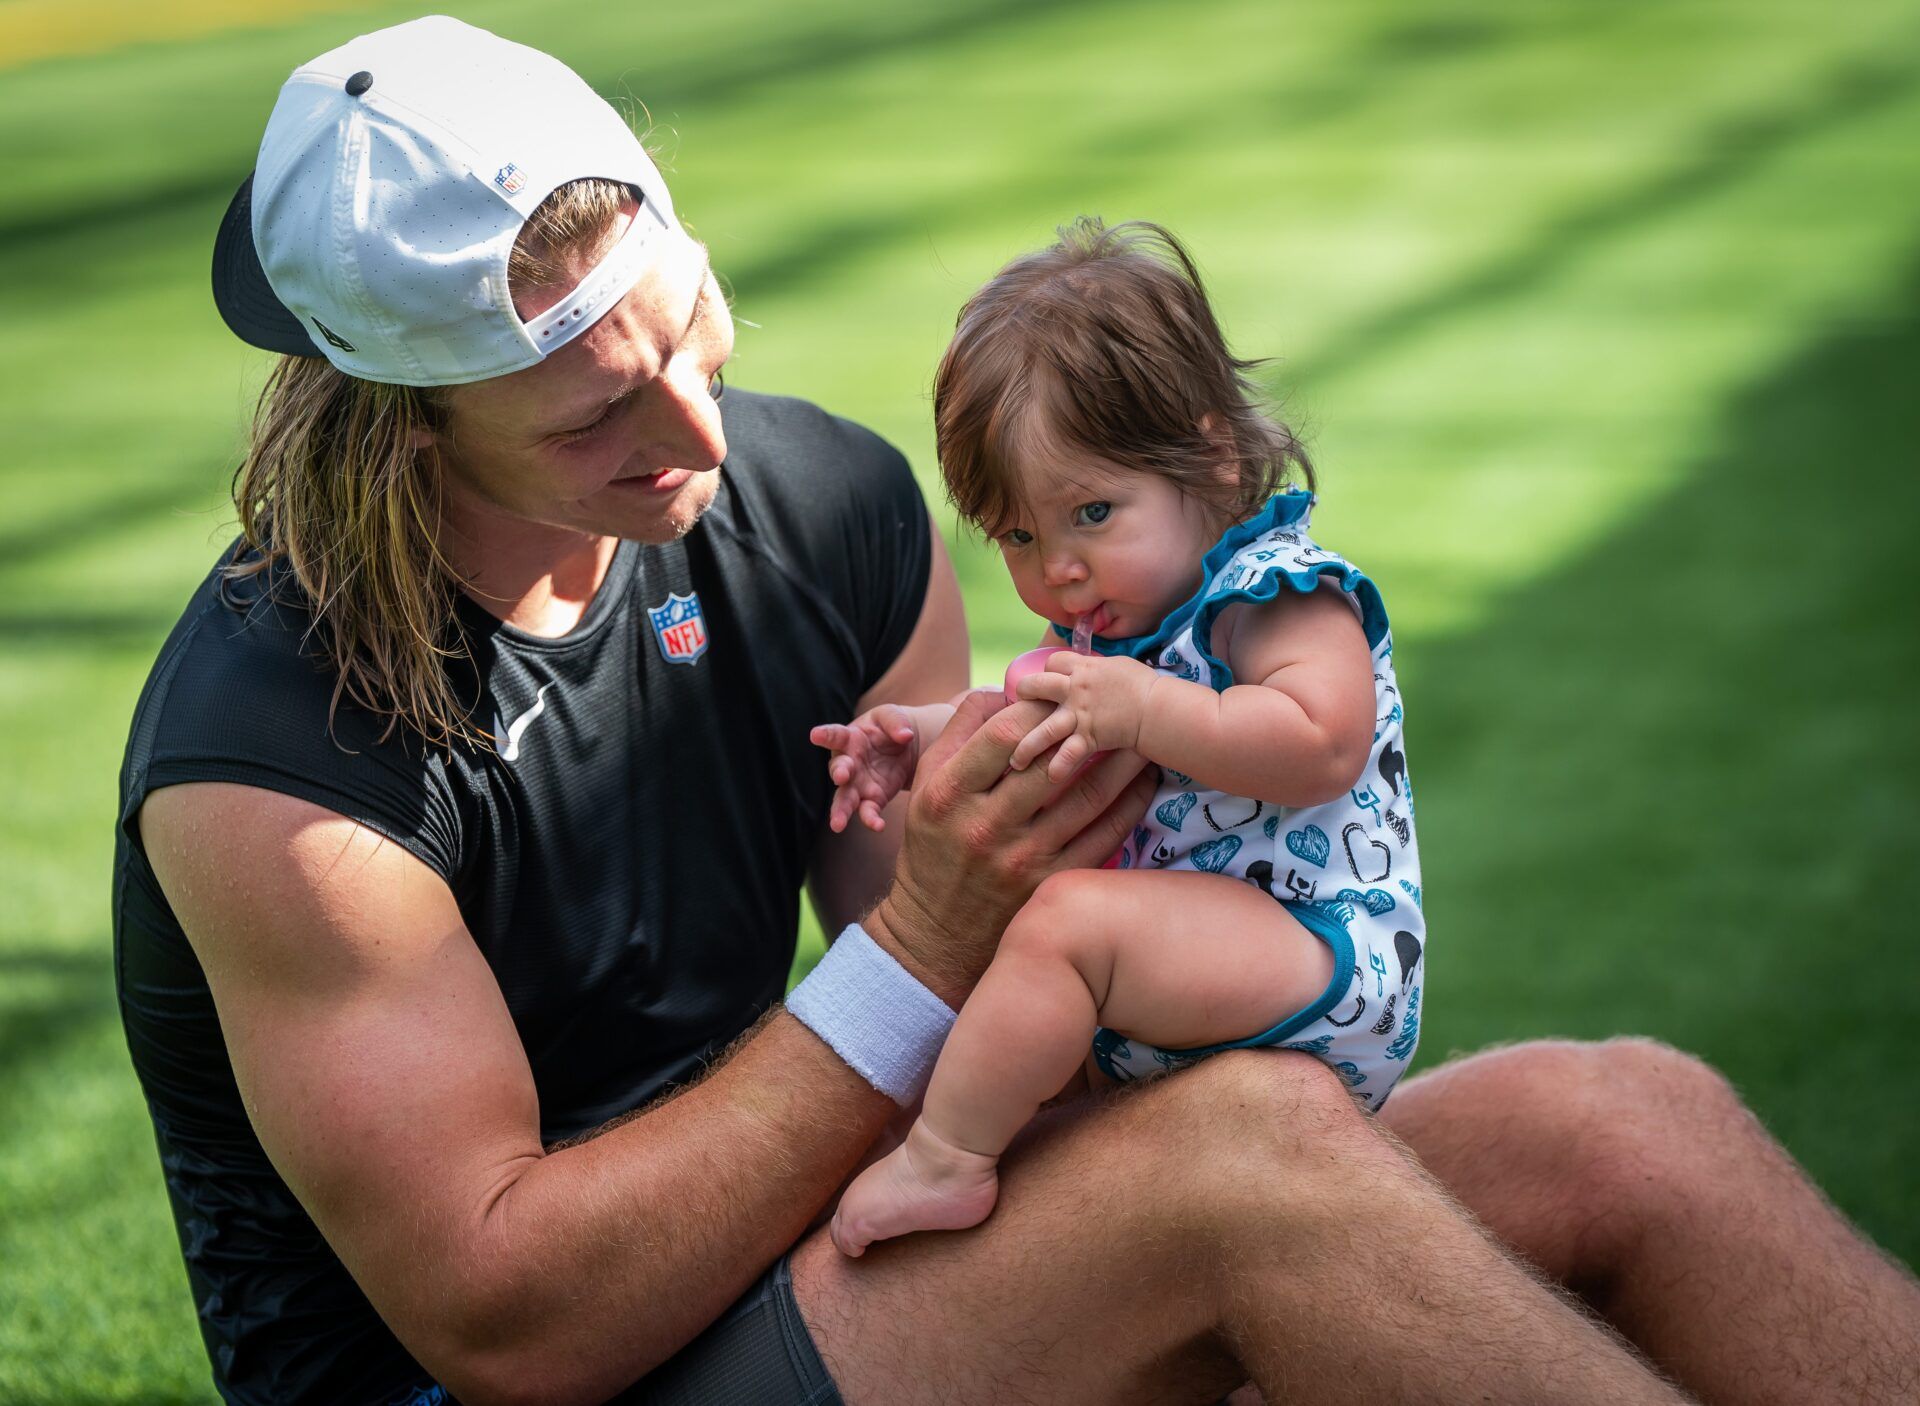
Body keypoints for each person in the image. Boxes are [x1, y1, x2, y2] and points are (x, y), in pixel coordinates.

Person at [112, 15, 1920, 1406]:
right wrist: (936, 934)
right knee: (1239, 1169)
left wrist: (1091, 786)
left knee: (1621, 1120)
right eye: (595, 419)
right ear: (405, 417)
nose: (697, 438)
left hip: (818, 1256)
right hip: (523, 1371)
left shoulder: (819, 509)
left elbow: (1014, 996)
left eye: (692, 327)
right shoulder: (280, 757)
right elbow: (512, 1322)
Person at [819, 220, 1425, 1257]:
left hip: (1320, 951)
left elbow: (1322, 736)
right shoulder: (1123, 629)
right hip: (1188, 961)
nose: (1056, 568)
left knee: (1068, 924)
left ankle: (945, 1159)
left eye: (1092, 510)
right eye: (1018, 534)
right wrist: (915, 735)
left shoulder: (1271, 594)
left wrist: (1143, 709)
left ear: (1212, 455)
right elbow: (1023, 719)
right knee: (1030, 940)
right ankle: (990, 1143)